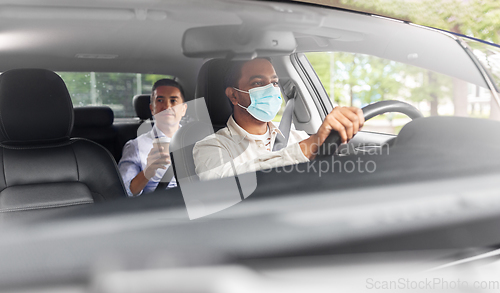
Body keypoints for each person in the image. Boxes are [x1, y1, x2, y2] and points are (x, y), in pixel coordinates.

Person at [193, 58, 364, 181]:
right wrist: (306, 149)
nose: (271, 90)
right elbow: (225, 182)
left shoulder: (298, 137)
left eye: (274, 83)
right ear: (234, 95)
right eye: (258, 83)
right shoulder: (211, 146)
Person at [118, 79, 188, 196]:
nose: (167, 106)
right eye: (160, 100)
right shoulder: (136, 146)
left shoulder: (199, 140)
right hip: (158, 210)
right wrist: (148, 171)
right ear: (152, 109)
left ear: (183, 109)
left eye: (173, 100)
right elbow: (124, 193)